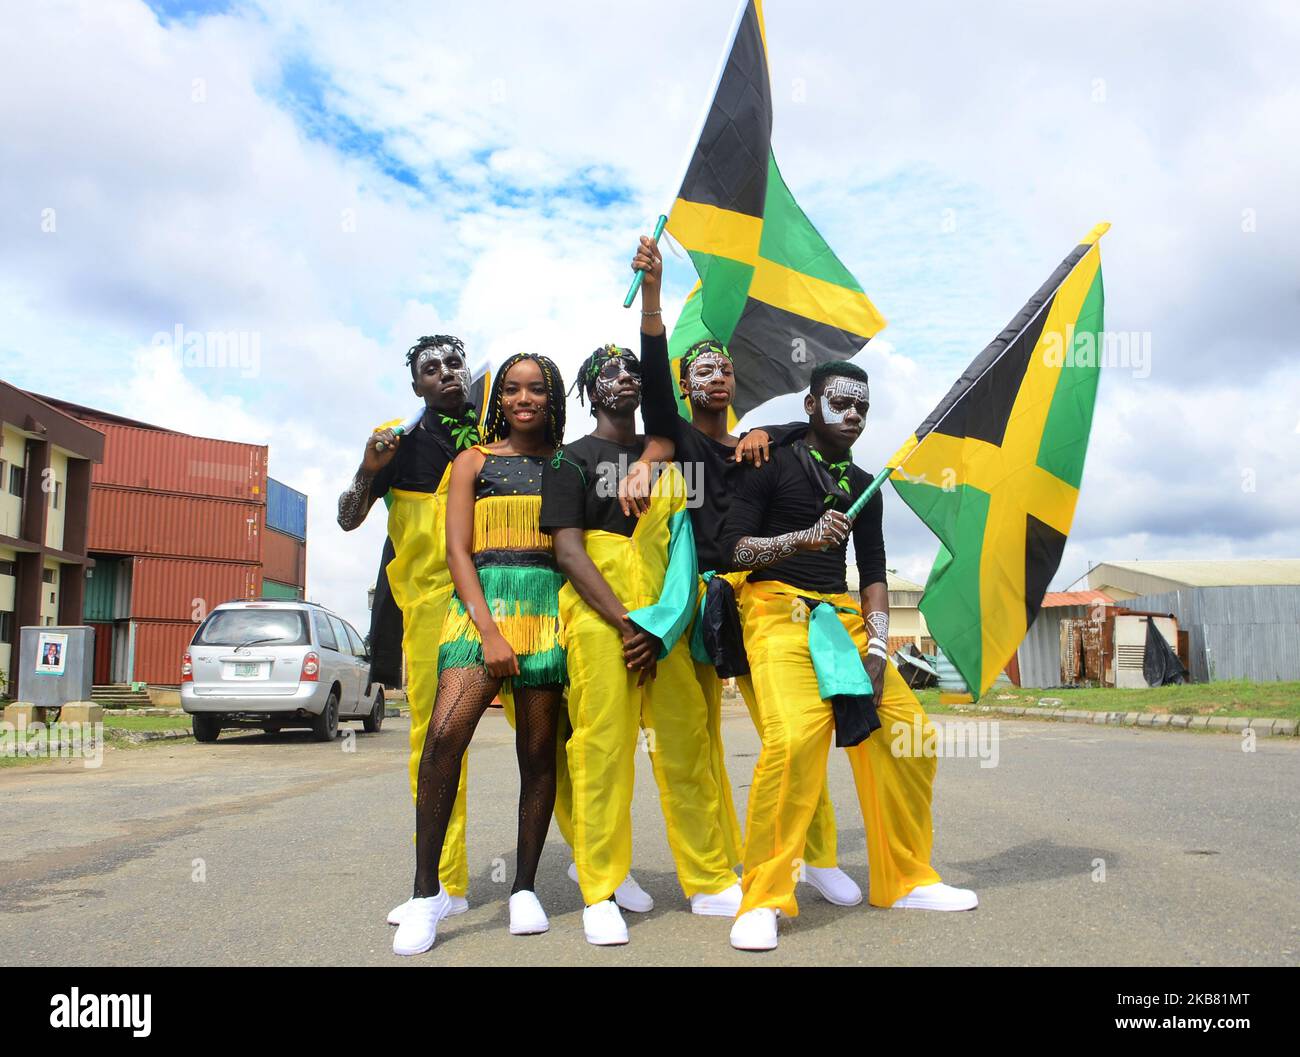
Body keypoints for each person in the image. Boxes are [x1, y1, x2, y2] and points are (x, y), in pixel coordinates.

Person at [620, 235, 863, 909]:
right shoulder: (682, 438)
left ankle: (817, 858)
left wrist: (766, 434)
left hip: (758, 598)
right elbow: (652, 379)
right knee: (688, 742)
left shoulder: (773, 439)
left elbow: (812, 432)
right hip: (693, 599)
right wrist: (651, 293)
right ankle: (711, 873)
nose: (717, 374)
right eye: (703, 368)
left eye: (724, 367)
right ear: (684, 385)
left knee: (794, 730)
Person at [721, 360, 978, 951]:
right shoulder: (768, 463)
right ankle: (762, 897)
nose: (854, 414)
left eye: (863, 405)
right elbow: (732, 549)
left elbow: (874, 572)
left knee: (910, 735)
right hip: (774, 610)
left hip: (843, 619)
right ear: (810, 405)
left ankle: (906, 877)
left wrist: (882, 646)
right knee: (792, 740)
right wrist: (801, 539)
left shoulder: (866, 484)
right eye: (840, 402)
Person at [538, 295, 743, 947]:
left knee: (688, 748)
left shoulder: (673, 461)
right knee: (602, 752)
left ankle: (710, 878)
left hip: (670, 620)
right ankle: (600, 886)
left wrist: (662, 622)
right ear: (590, 388)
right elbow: (568, 549)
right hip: (602, 620)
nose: (625, 375)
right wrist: (627, 622)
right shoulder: (568, 460)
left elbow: (685, 545)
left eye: (632, 368)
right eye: (609, 370)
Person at [392, 354, 571, 955]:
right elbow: (457, 552)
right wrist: (489, 630)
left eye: (537, 389)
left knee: (540, 752)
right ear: (499, 399)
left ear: (553, 398)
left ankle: (524, 887)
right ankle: (427, 895)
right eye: (513, 389)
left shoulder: (569, 465)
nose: (525, 398)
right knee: (444, 738)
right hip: (479, 607)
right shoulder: (472, 461)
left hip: (547, 608)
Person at [337, 335, 482, 925]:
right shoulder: (395, 442)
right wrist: (368, 469)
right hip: (428, 608)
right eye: (432, 368)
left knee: (548, 729)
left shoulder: (496, 429)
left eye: (454, 363)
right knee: (437, 740)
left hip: (505, 599)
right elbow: (348, 518)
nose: (447, 372)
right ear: (416, 384)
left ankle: (595, 872)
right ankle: (445, 884)